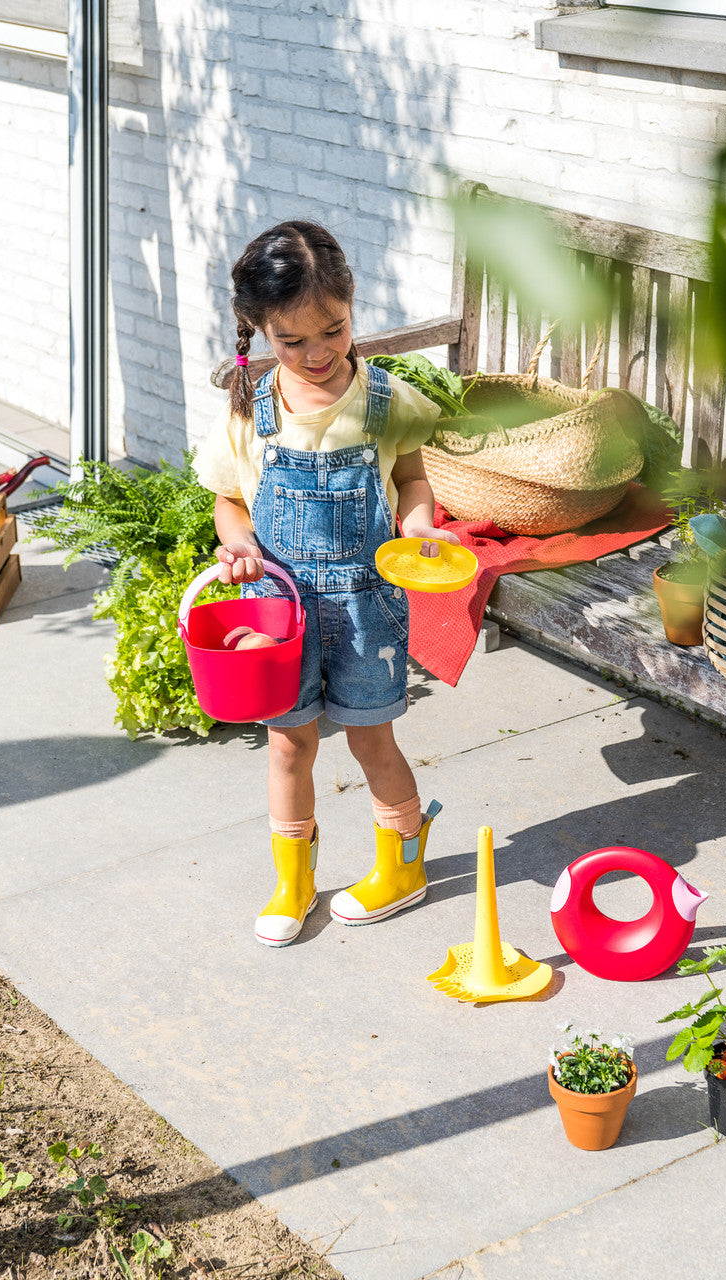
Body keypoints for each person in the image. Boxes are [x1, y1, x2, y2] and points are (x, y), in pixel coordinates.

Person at [196, 220, 458, 947]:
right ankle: (294, 878)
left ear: (351, 307)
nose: (316, 353)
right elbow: (228, 500)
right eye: (292, 341)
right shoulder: (251, 407)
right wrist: (239, 544)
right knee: (289, 744)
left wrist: (417, 524)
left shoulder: (385, 401)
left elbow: (411, 478)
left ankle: (403, 867)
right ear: (260, 331)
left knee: (372, 740)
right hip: (277, 608)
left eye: (333, 331)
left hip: (364, 606)